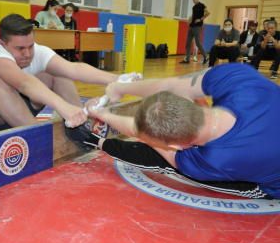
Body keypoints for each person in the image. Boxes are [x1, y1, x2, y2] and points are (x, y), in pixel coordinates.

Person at [78, 63, 280, 199]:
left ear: (178, 146)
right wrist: (120, 89)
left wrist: (103, 115)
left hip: (271, 186)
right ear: (185, 100)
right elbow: (169, 85)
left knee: (160, 158)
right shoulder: (237, 76)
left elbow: (141, 133)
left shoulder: (213, 161)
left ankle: (94, 141)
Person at [0, 13, 139, 150]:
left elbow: (73, 68)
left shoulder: (35, 51)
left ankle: (80, 129)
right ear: (3, 44)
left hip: (14, 110)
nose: (27, 54)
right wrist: (64, 107)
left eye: (30, 46)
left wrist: (117, 80)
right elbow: (23, 83)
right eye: (20, 48)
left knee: (56, 73)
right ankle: (40, 138)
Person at [179, 0, 209, 65]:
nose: (194, 0)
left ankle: (205, 57)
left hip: (197, 27)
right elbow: (193, 15)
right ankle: (187, 59)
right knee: (188, 43)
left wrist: (201, 19)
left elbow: (208, 12)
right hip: (191, 26)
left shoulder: (201, 5)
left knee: (198, 43)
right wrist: (189, 20)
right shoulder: (194, 7)